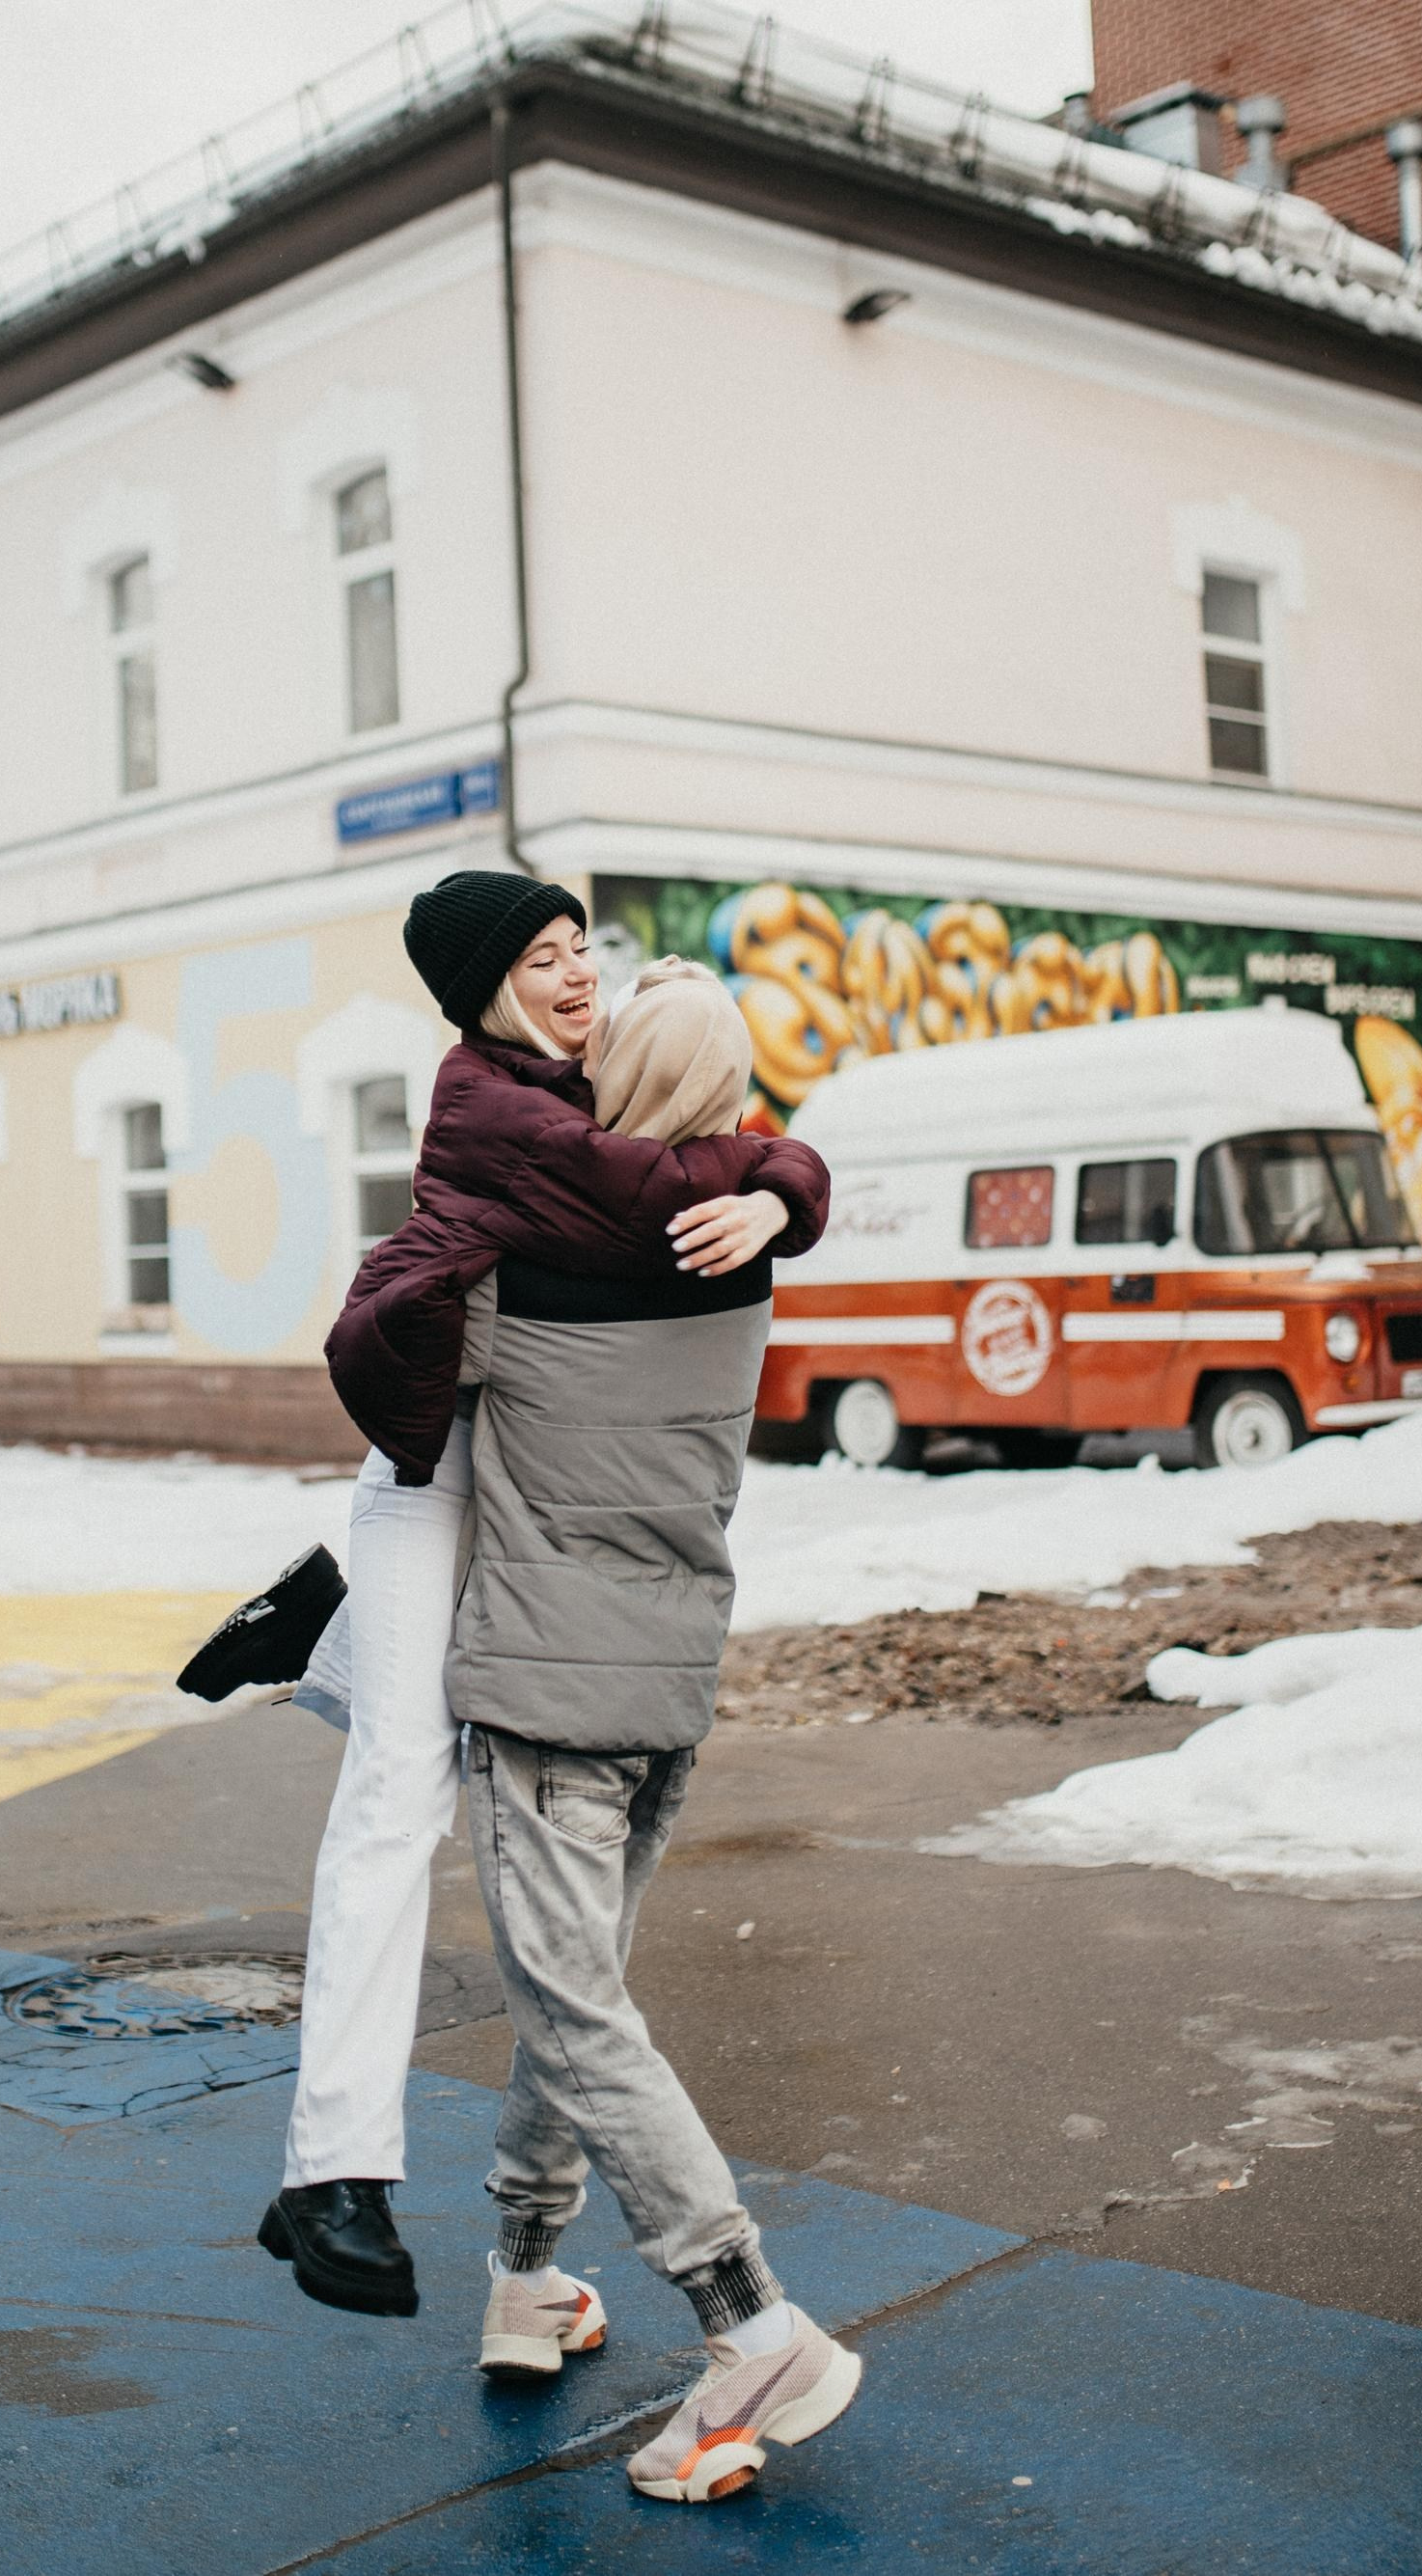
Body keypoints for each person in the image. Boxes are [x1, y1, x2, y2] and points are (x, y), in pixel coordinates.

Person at [260, 871, 828, 2325]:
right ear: (482, 986)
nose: (577, 974)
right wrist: (771, 1187)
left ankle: (321, 1641)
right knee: (401, 1779)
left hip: (513, 1466)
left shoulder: (579, 1089)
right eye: (540, 955)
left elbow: (728, 1149)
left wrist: (784, 1183)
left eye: (585, 949)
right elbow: (658, 1190)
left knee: (439, 1767)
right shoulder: (492, 1106)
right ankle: (334, 2172)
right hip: (429, 1470)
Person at [449, 955, 861, 2505]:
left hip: (548, 1697)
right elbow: (761, 1164)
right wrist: (785, 1181)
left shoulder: (517, 1274)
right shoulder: (743, 1252)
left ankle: (747, 2318)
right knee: (581, 1997)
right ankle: (526, 2275)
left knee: (572, 2010)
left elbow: (390, 1375)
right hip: (666, 1682)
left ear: (606, 1096)